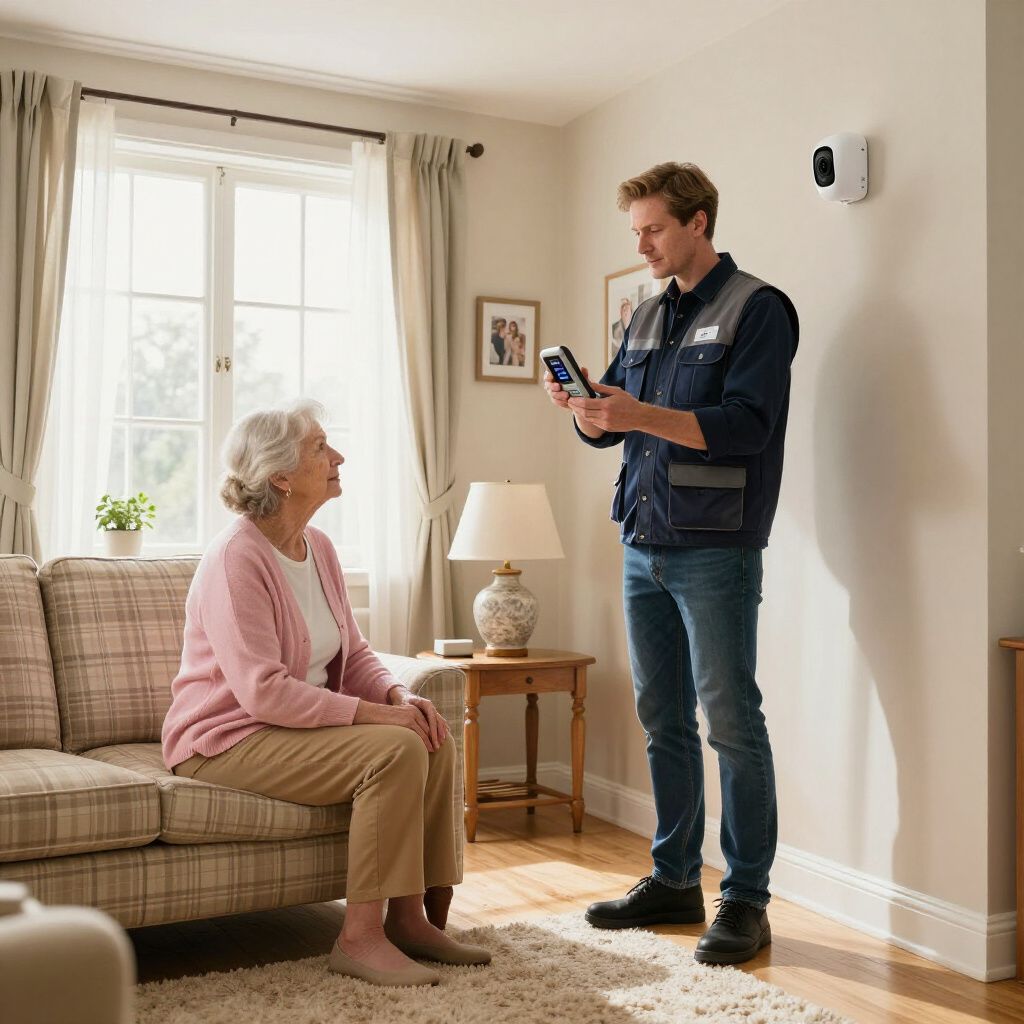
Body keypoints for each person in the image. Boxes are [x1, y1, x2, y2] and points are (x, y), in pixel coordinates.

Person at [544, 162, 798, 966]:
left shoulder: (759, 308)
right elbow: (616, 426)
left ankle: (747, 901)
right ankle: (674, 880)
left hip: (716, 546)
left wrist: (638, 411)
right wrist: (584, 409)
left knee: (732, 722)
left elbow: (748, 426)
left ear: (698, 222)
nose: (644, 243)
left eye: (653, 228)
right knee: (663, 718)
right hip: (642, 541)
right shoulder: (646, 315)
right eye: (637, 232)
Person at [161, 399, 491, 987]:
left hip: (287, 730)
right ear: (280, 476)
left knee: (429, 733)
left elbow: (353, 652)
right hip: (224, 741)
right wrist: (373, 721)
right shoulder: (236, 559)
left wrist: (395, 698)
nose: (337, 456)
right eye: (320, 448)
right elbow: (263, 694)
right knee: (396, 749)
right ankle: (359, 940)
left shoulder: (319, 548)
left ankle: (411, 919)